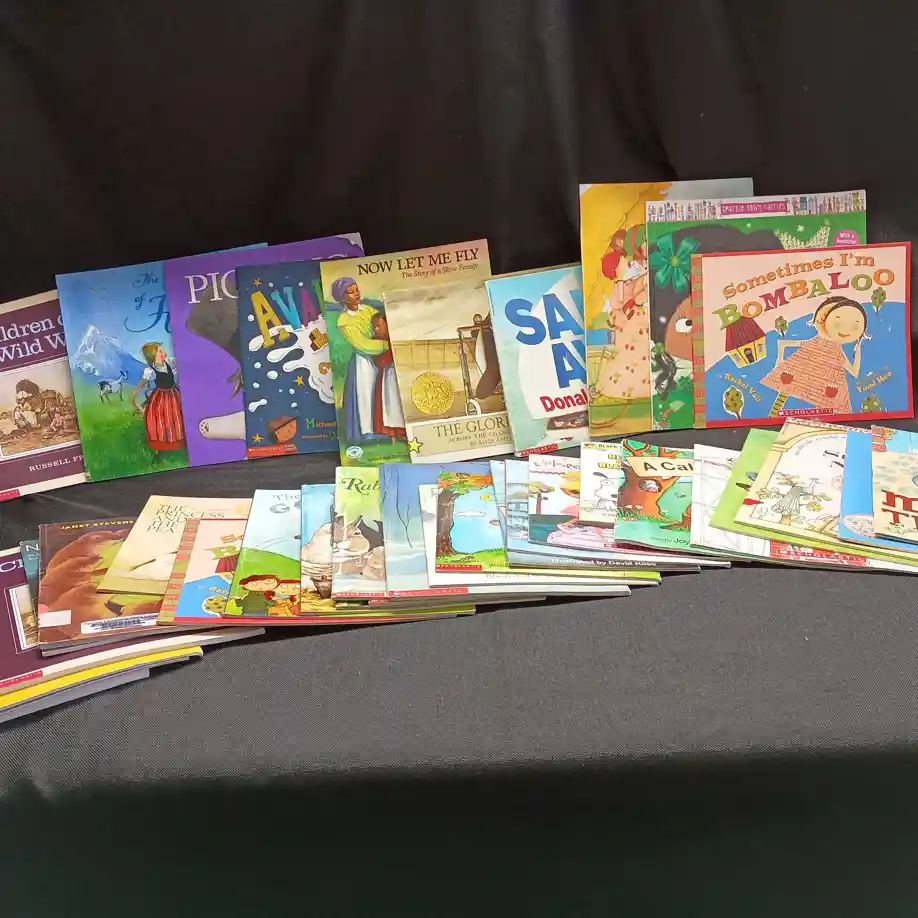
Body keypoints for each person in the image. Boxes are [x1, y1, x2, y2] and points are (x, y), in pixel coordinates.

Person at [760, 296, 869, 413]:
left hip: (826, 387)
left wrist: (858, 352)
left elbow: (854, 372)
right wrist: (779, 362)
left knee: (828, 405)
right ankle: (773, 415)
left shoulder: (837, 353)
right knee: (784, 392)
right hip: (796, 375)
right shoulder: (815, 343)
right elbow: (782, 343)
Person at [331, 277, 405, 442]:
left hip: (381, 358)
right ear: (343, 297)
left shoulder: (368, 309)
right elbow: (361, 343)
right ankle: (368, 432)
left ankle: (386, 428)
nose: (356, 294)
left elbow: (382, 326)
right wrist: (387, 345)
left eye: (356, 289)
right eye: (350, 292)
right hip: (363, 361)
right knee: (366, 394)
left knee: (383, 393)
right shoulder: (344, 320)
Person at [131, 342, 186, 462]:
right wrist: (134, 402)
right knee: (161, 421)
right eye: (160, 351)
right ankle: (160, 447)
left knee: (178, 417)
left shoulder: (169, 362)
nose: (164, 352)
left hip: (175, 393)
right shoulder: (150, 371)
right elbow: (139, 387)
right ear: (152, 356)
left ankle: (180, 441)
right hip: (161, 398)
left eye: (163, 350)